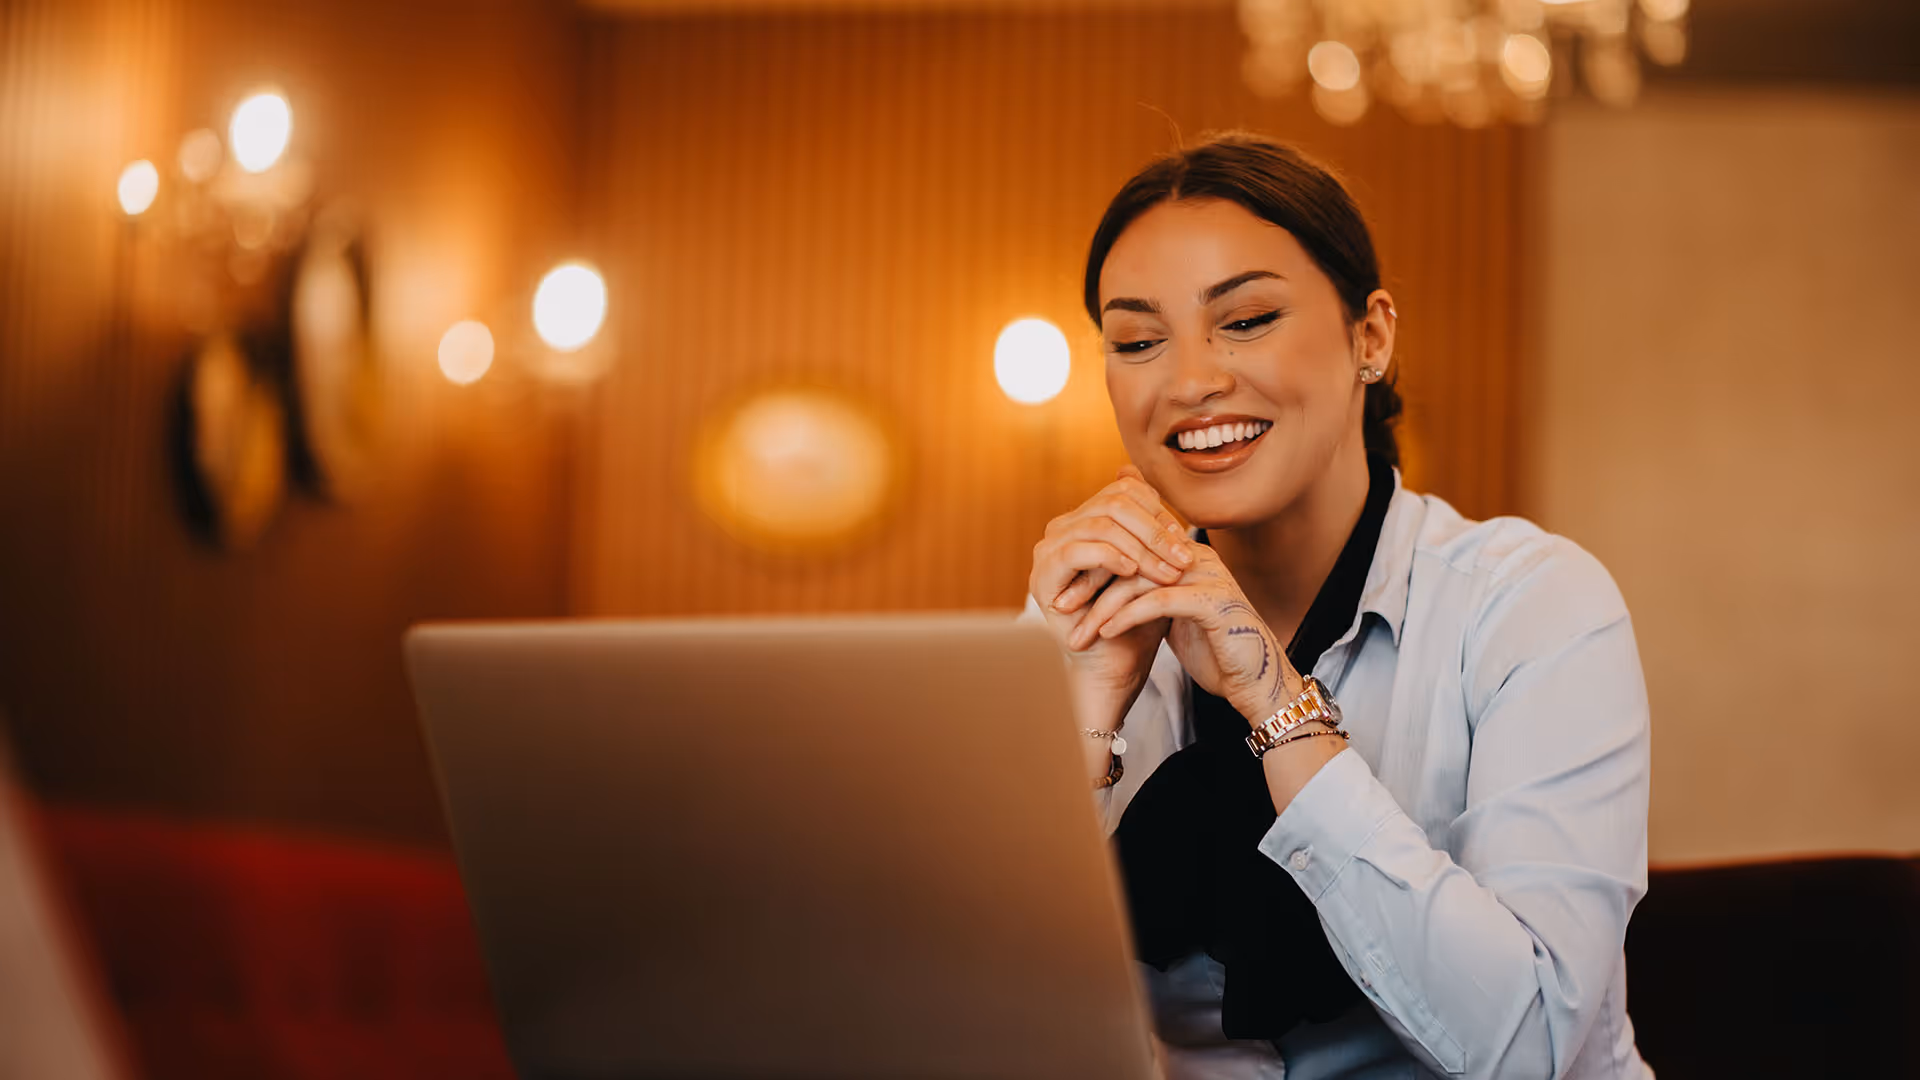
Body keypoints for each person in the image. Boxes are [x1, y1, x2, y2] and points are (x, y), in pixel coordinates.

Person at [1025, 134, 1652, 1079]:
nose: (1190, 380)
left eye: (1245, 320)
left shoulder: (1532, 603)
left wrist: (1277, 707)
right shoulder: (1077, 623)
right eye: (1140, 341)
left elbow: (1531, 1050)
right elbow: (974, 1015)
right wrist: (1083, 718)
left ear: (1372, 337)